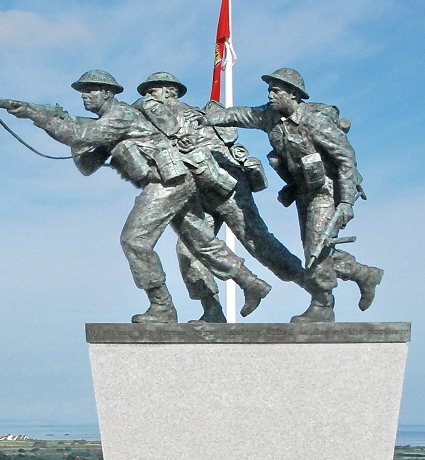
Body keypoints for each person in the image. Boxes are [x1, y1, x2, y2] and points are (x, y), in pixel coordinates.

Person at [7, 70, 271, 322]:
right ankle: (251, 283)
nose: (85, 96)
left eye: (91, 91)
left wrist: (35, 116)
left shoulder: (120, 114)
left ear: (108, 93)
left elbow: (79, 134)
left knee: (135, 241)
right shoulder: (108, 124)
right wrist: (67, 126)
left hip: (168, 183)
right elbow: (87, 164)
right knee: (201, 242)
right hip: (176, 182)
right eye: (83, 92)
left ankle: (162, 307)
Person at [203, 68, 383, 322]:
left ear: (293, 95)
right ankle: (364, 274)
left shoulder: (315, 122)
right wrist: (210, 119)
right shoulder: (270, 117)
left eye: (276, 90)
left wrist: (345, 202)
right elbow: (241, 115)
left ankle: (323, 305)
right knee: (317, 248)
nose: (270, 95)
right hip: (304, 191)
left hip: (328, 191)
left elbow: (345, 159)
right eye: (270, 90)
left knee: (315, 248)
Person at [133, 72, 310, 322]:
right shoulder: (155, 120)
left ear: (169, 92)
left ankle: (315, 290)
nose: (146, 98)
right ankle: (213, 311)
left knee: (259, 243)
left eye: (152, 92)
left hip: (227, 186)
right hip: (198, 190)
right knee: (189, 249)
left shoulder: (184, 115)